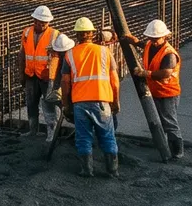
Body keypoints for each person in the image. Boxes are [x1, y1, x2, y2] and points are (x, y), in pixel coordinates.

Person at [63, 17, 119, 178]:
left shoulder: (70, 54)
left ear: (77, 35)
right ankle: (112, 171)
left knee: (83, 137)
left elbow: (65, 82)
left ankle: (86, 170)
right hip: (102, 100)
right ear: (92, 34)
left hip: (80, 103)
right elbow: (114, 80)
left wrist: (66, 105)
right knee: (107, 136)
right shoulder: (104, 52)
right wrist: (116, 101)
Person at [130, 18, 184, 159]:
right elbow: (144, 45)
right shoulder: (150, 45)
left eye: (156, 39)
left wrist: (146, 73)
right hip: (155, 91)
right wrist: (134, 41)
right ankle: (164, 146)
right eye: (151, 38)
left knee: (169, 122)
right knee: (159, 120)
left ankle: (177, 151)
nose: (153, 41)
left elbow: (166, 72)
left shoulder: (169, 53)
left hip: (168, 93)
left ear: (165, 36)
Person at [20, 5, 58, 130]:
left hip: (47, 76)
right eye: (40, 22)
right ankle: (33, 130)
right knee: (31, 103)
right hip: (31, 75)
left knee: (49, 104)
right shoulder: (26, 32)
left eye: (45, 23)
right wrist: (21, 75)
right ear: (34, 20)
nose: (42, 25)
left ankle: (51, 131)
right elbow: (22, 54)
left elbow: (60, 58)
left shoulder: (54, 35)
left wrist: (56, 79)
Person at [40, 31, 75, 151]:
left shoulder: (70, 58)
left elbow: (66, 79)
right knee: (49, 106)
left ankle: (55, 136)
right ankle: (52, 135)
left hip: (71, 88)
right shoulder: (61, 56)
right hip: (57, 83)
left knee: (72, 114)